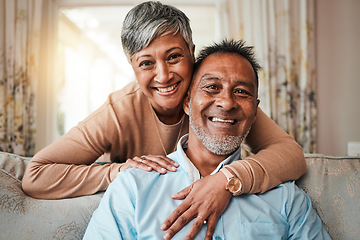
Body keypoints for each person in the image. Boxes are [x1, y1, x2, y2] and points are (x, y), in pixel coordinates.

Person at [22, 1, 306, 239]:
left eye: (174, 57)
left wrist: (225, 180)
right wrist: (118, 172)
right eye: (146, 63)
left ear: (191, 52)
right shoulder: (120, 110)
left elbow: (291, 154)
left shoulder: (218, 98)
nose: (164, 75)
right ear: (133, 67)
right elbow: (37, 175)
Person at [83, 39, 330, 240]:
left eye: (241, 92)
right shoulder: (133, 188)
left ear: (255, 111)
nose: (226, 102)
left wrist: (226, 180)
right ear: (188, 102)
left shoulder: (287, 198)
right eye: (212, 87)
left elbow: (293, 154)